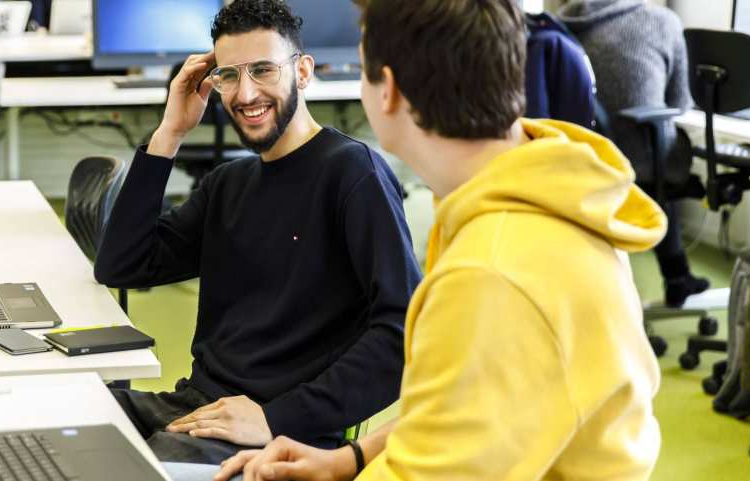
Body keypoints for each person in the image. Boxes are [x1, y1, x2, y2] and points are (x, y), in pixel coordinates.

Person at [211, 0, 667, 479]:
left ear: (386, 90)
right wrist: (352, 458)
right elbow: (470, 403)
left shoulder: (493, 272)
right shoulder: (535, 191)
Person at [93, 0, 421, 466]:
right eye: (229, 75)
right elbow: (122, 265)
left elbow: (401, 334)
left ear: (303, 71)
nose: (245, 94)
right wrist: (170, 132)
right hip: (198, 408)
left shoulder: (352, 174)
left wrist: (277, 417)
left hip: (278, 433)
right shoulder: (229, 184)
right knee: (62, 414)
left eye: (263, 70)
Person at [559, 0, 709, 307]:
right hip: (638, 156)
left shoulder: (560, 22)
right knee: (668, 155)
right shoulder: (661, 21)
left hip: (578, 152)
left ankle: (674, 276)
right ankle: (677, 276)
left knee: (658, 155)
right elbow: (680, 102)